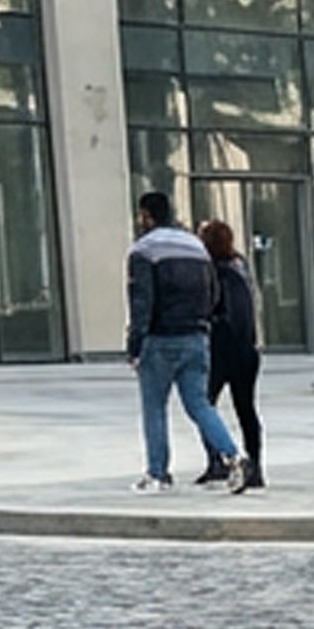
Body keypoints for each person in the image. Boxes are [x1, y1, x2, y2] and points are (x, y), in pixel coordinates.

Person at [125, 193, 242, 492]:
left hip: (160, 338)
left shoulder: (144, 250)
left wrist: (135, 343)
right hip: (196, 337)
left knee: (154, 407)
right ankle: (233, 455)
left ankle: (158, 473)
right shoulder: (196, 247)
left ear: (146, 216)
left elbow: (142, 301)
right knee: (199, 404)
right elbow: (213, 293)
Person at [199, 216, 264, 492]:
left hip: (221, 349)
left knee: (203, 405)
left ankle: (218, 460)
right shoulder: (241, 266)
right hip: (247, 349)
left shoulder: (214, 271)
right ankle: (256, 465)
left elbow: (216, 311)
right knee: (246, 408)